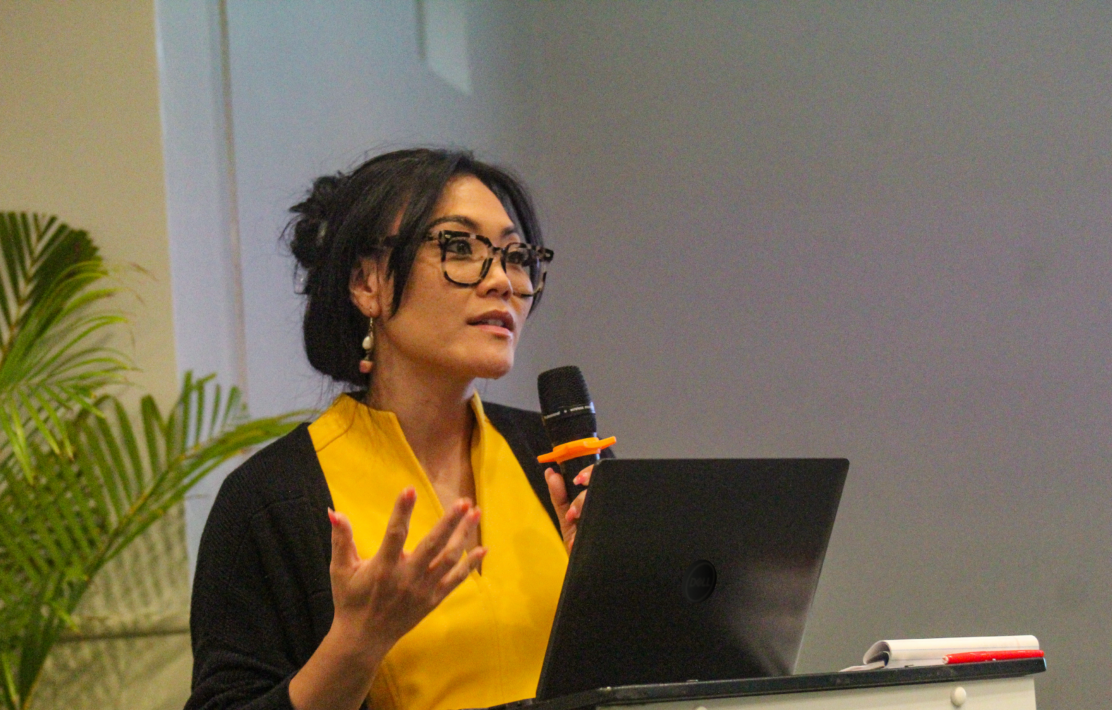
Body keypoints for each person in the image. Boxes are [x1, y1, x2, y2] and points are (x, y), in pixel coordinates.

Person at [186, 148, 591, 710]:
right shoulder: (269, 500)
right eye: (459, 247)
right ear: (366, 283)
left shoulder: (554, 456)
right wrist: (356, 646)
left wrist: (619, 590)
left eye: (516, 256)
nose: (501, 280)